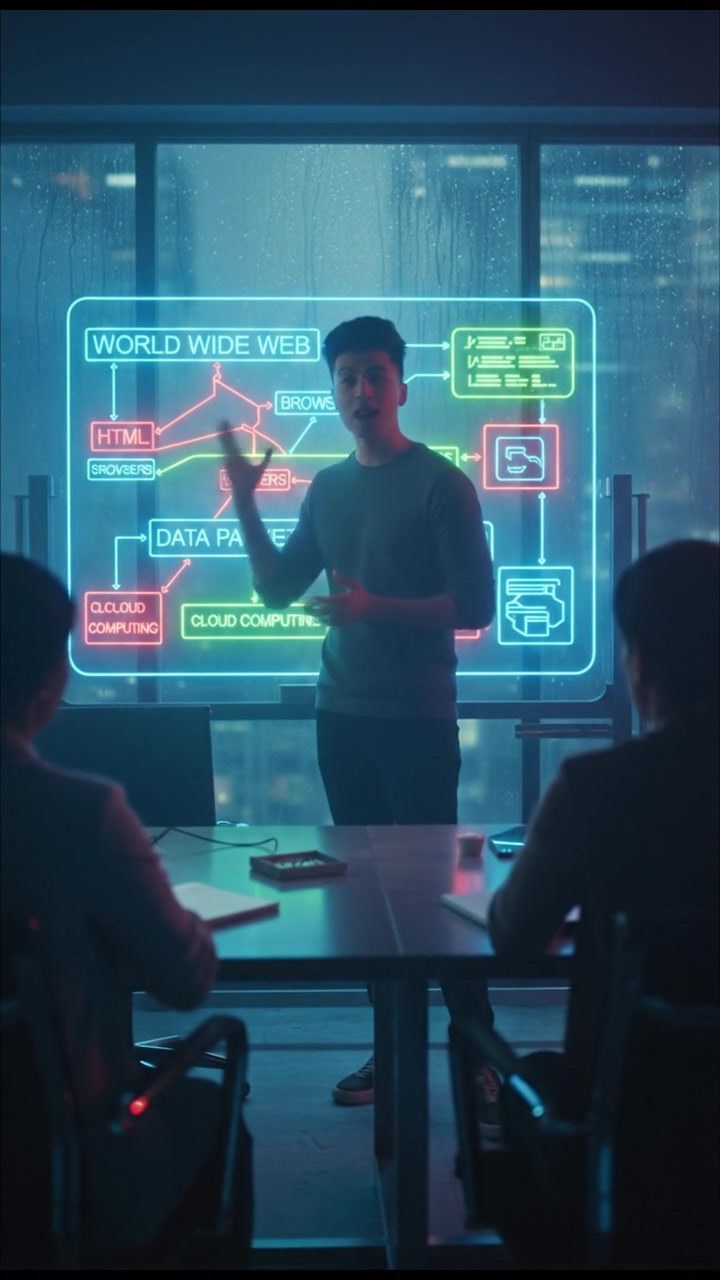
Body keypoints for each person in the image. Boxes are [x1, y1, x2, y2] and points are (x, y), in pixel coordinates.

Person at [220, 314, 499, 1124]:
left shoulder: (443, 483)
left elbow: (476, 606)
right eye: (347, 378)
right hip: (339, 716)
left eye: (375, 374)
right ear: (334, 391)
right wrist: (244, 503)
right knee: (370, 900)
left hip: (414, 718)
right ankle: (392, 1049)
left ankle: (480, 1056)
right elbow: (275, 589)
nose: (361, 390)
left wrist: (377, 605)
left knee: (439, 894)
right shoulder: (329, 487)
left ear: (402, 385)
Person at [0, 552, 252, 1266]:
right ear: (50, 684)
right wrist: (167, 914)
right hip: (63, 1150)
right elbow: (184, 984)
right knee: (213, 1107)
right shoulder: (82, 814)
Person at [479, 538, 719, 1261]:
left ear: (640, 663)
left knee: (538, 1081)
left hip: (628, 1139)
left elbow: (515, 940)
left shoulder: (593, 790)